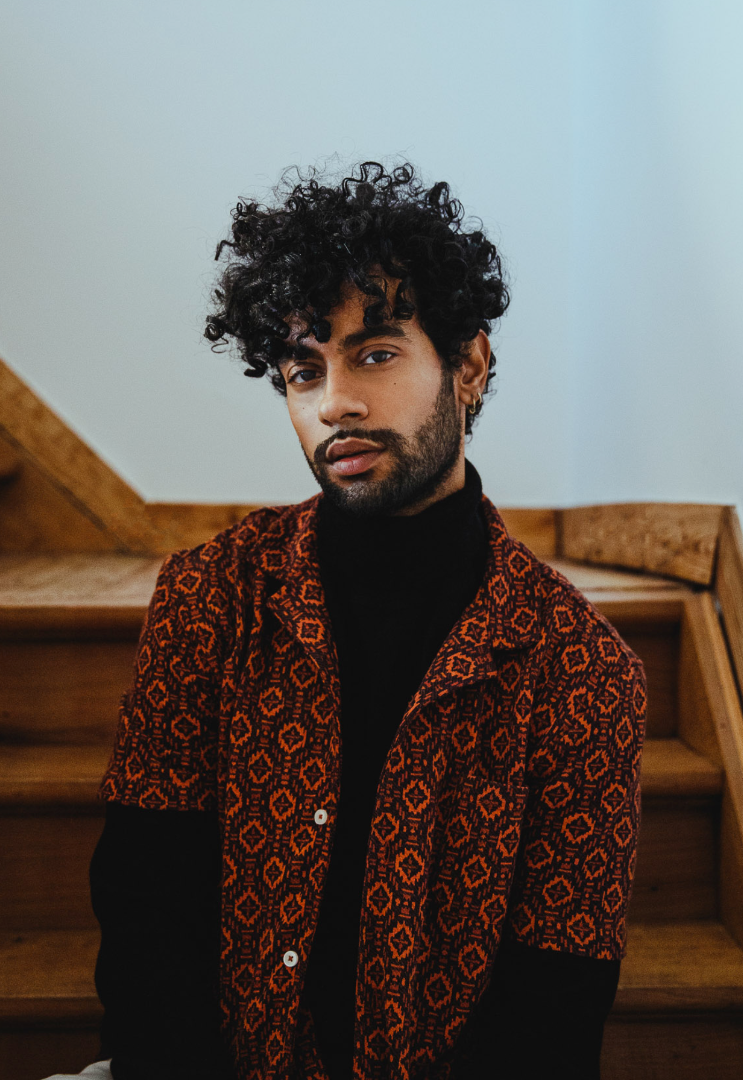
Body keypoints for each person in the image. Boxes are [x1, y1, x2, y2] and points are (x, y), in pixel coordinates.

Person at [82, 162, 645, 1080]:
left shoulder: (581, 669)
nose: (332, 402)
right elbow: (146, 906)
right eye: (303, 370)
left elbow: (556, 997)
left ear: (468, 366)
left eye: (375, 354)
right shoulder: (210, 598)